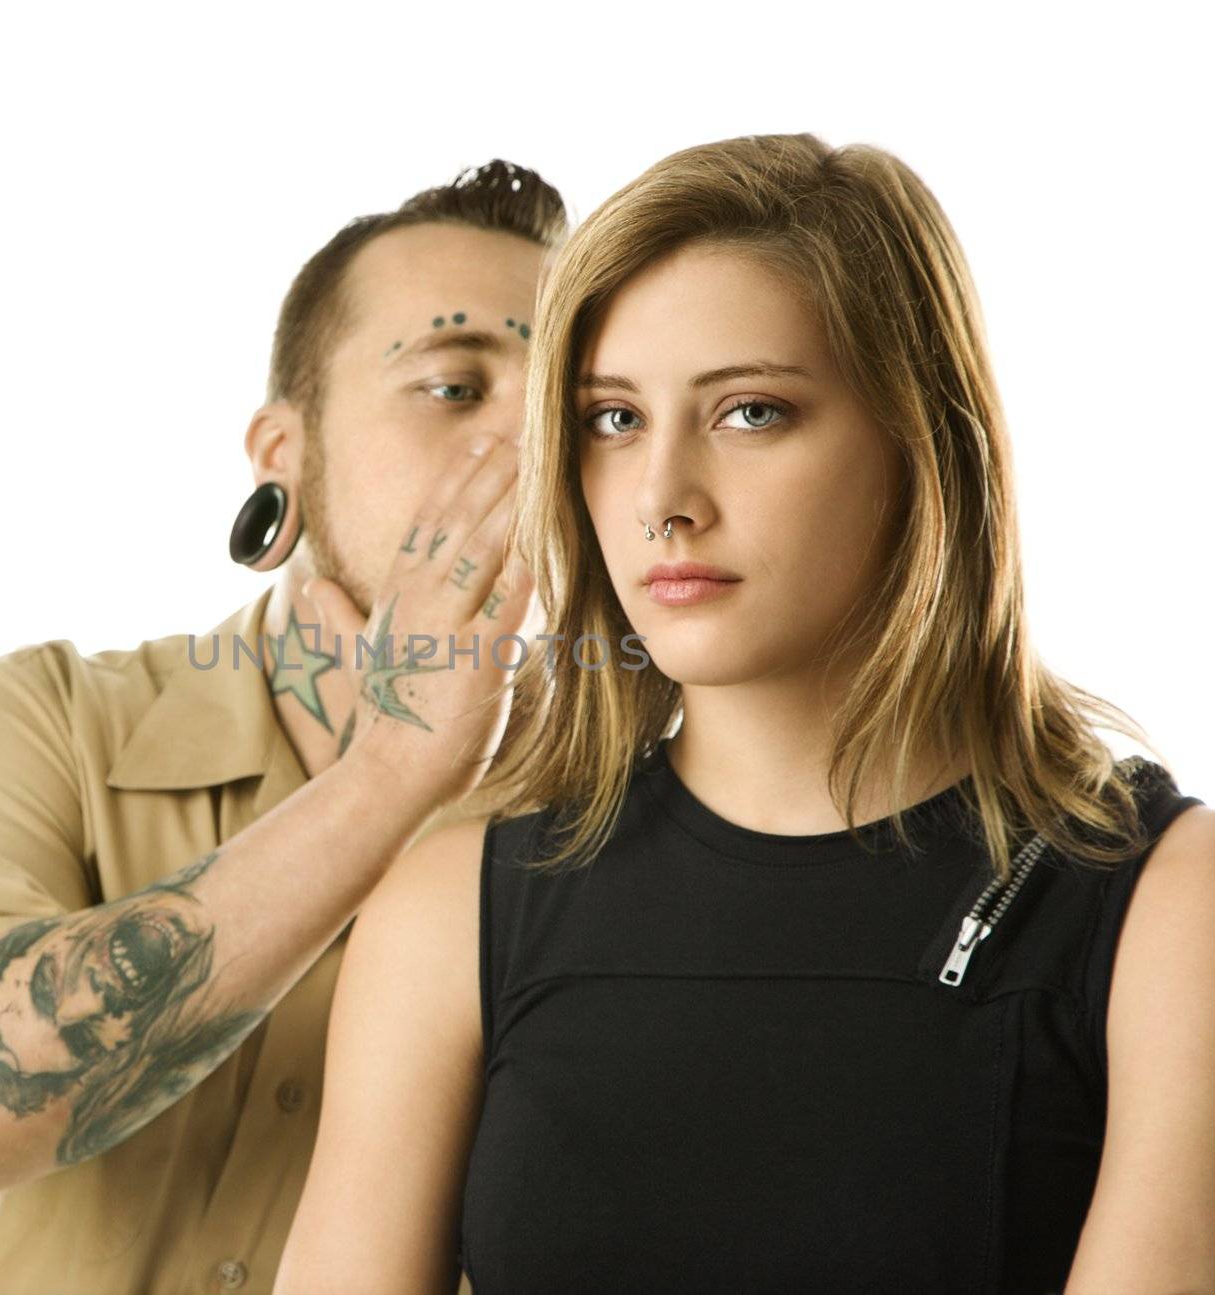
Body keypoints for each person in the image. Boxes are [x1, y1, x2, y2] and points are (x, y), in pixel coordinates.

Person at [275, 134, 1215, 1294]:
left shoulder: (1164, 901)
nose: (662, 498)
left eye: (750, 412)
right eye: (612, 420)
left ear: (924, 444)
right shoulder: (453, 910)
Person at [0, 158, 567, 1294]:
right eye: (452, 385)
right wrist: (391, 771)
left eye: (565, 412)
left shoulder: (619, 817)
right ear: (281, 455)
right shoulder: (56, 716)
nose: (519, 452)